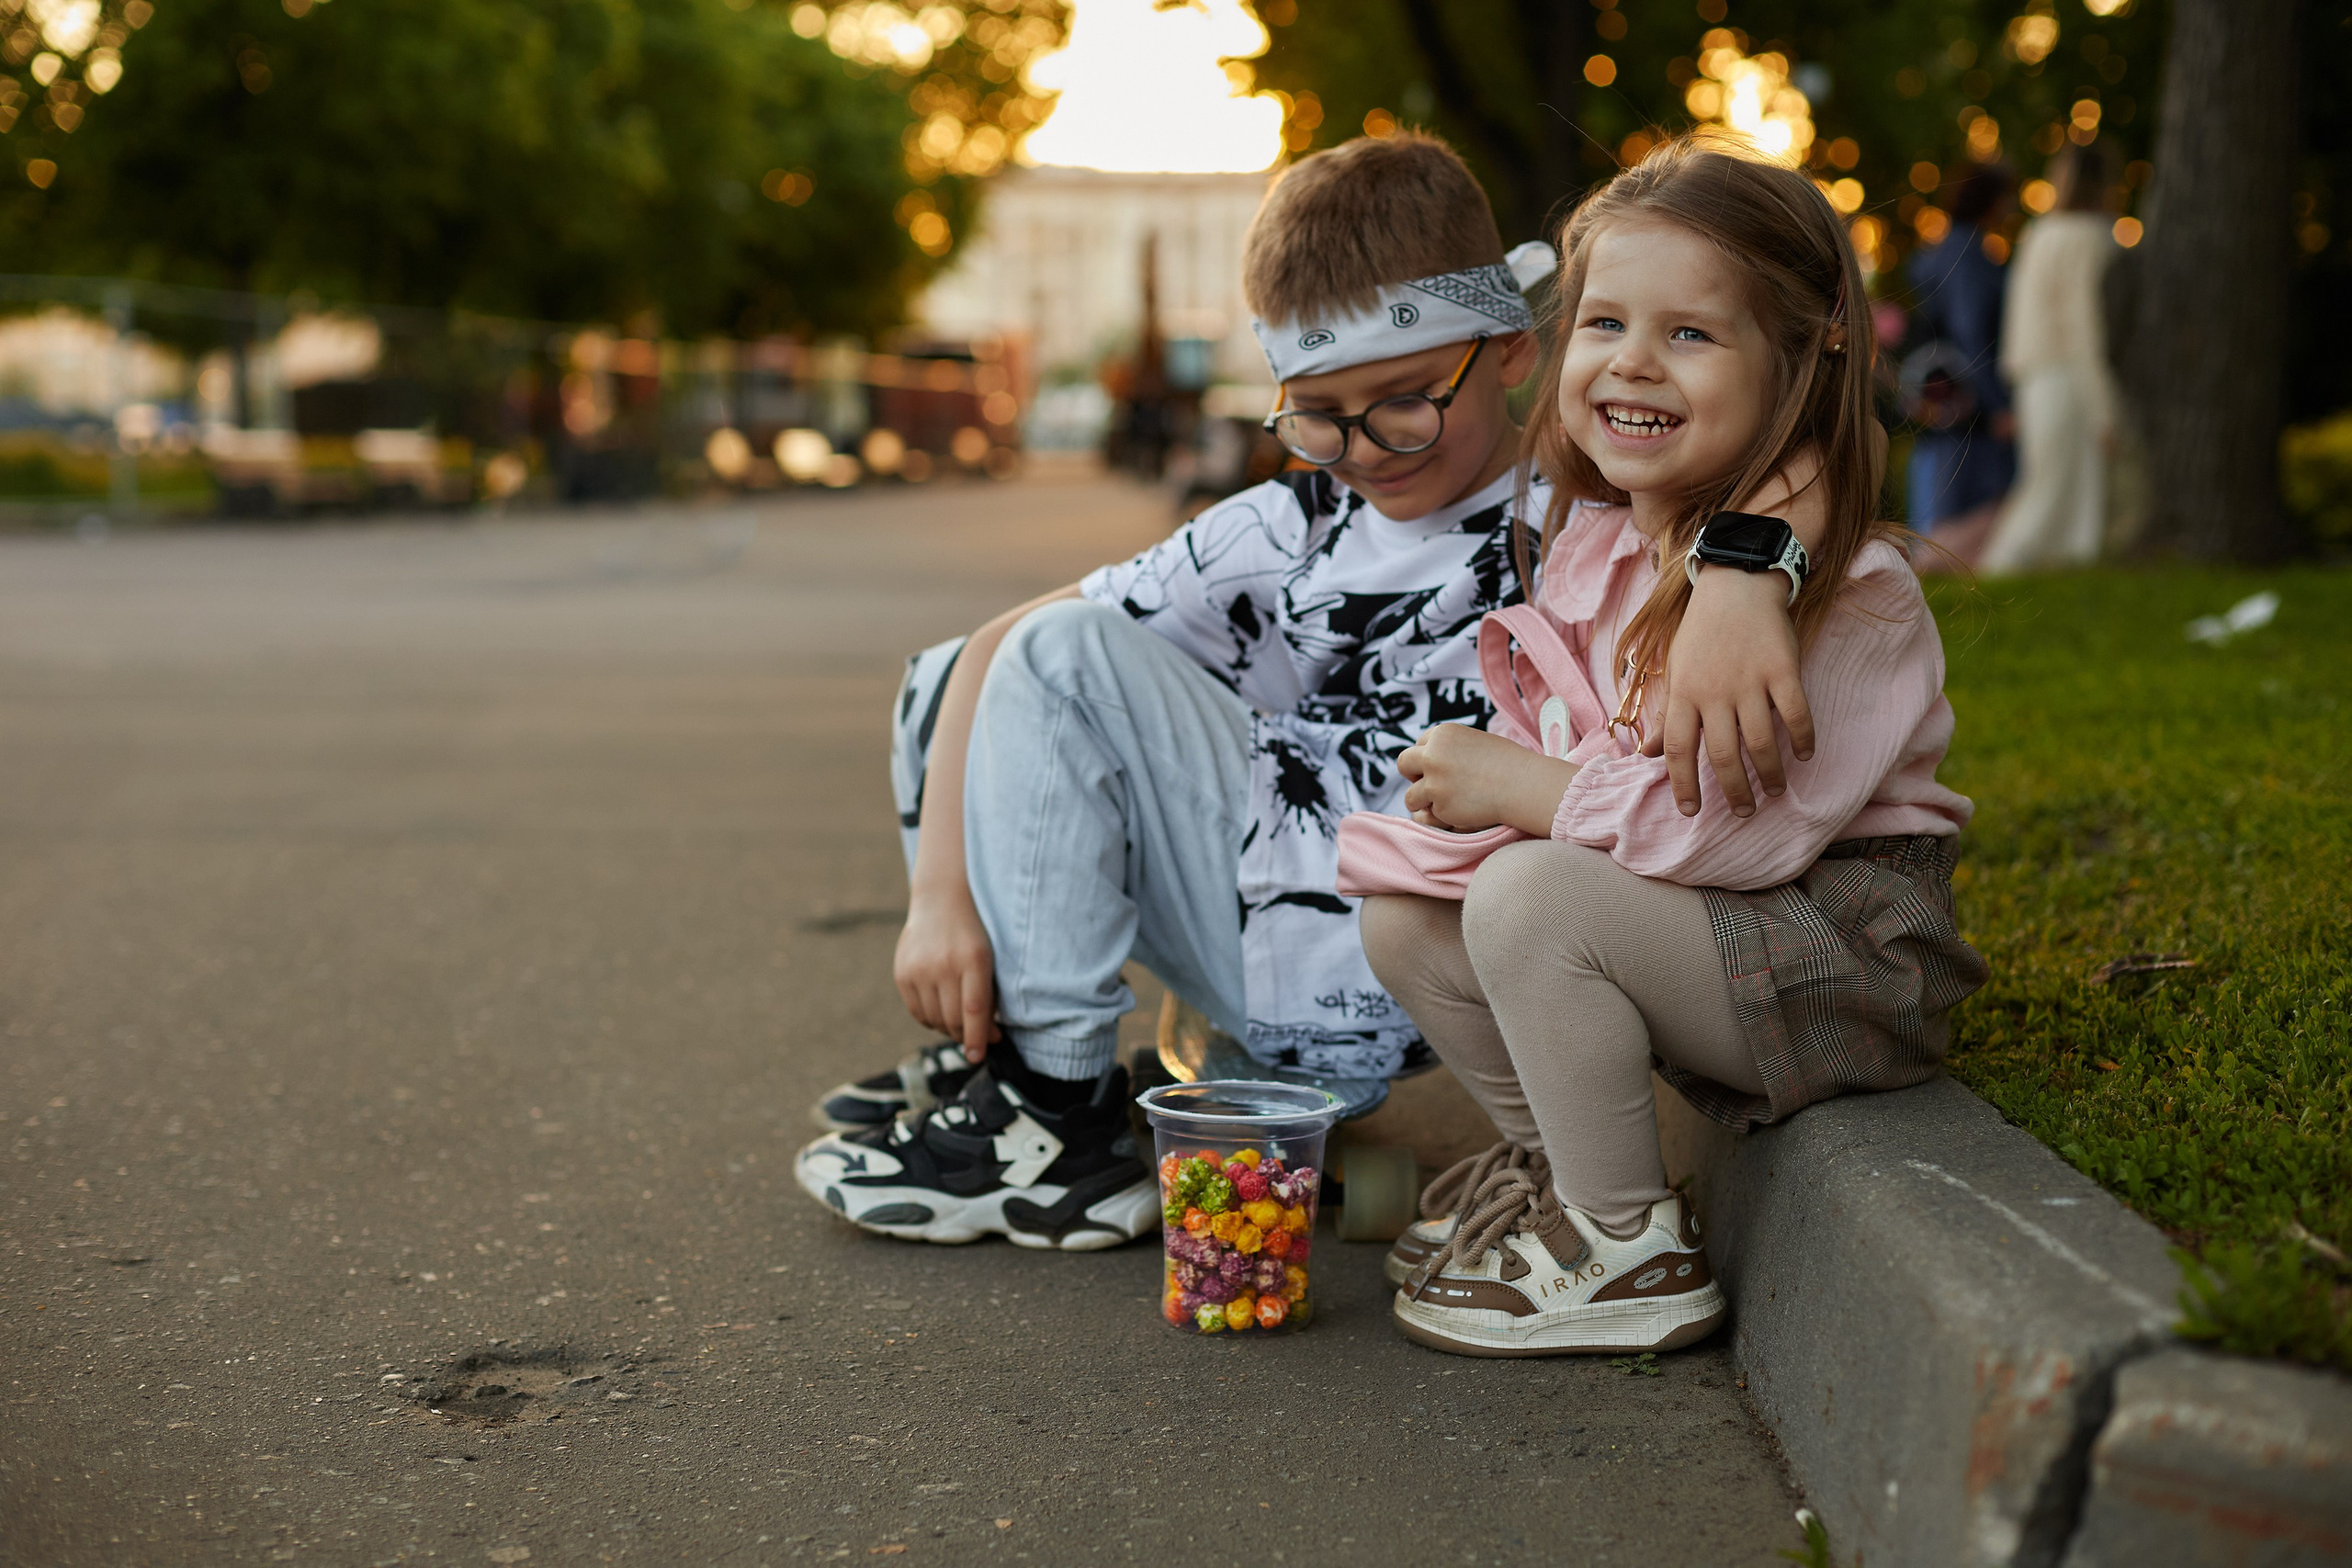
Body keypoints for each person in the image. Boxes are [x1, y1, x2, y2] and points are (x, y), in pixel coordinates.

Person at [795, 131, 1832, 1252]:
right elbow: (1003, 647)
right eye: (1316, 413)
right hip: (1280, 914)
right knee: (961, 672)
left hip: (1448, 945)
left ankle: (1057, 1125)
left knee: (1062, 654)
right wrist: (939, 903)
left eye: (1403, 400)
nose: (1367, 448)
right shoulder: (1288, 528)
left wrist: (1740, 576)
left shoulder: (1582, 493)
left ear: (1508, 349)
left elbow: (1810, 437)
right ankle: (1011, 1055)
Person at [1341, 135, 1989, 1357]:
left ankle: (1626, 1241)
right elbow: (1617, 780)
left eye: (1691, 333)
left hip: (1842, 950)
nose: (1633, 361)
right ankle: (1558, 1166)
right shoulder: (1600, 541)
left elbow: (1731, 836)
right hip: (1719, 935)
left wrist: (1526, 790)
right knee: (1407, 912)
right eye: (1604, 324)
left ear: (1795, 355)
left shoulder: (1853, 591)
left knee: (1532, 893)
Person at [1980, 143, 2120, 573]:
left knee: (2052, 483)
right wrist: (2105, 407)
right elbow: (2085, 325)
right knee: (2057, 488)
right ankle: (2001, 567)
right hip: (2069, 375)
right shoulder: (2092, 237)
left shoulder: (2040, 233)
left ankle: (2032, 568)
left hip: (2035, 377)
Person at [1905, 163, 2017, 557]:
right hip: (1971, 410)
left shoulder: (1936, 253)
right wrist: (1998, 406)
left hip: (1941, 403)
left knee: (1936, 510)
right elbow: (1971, 336)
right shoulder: (1969, 258)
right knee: (1959, 522)